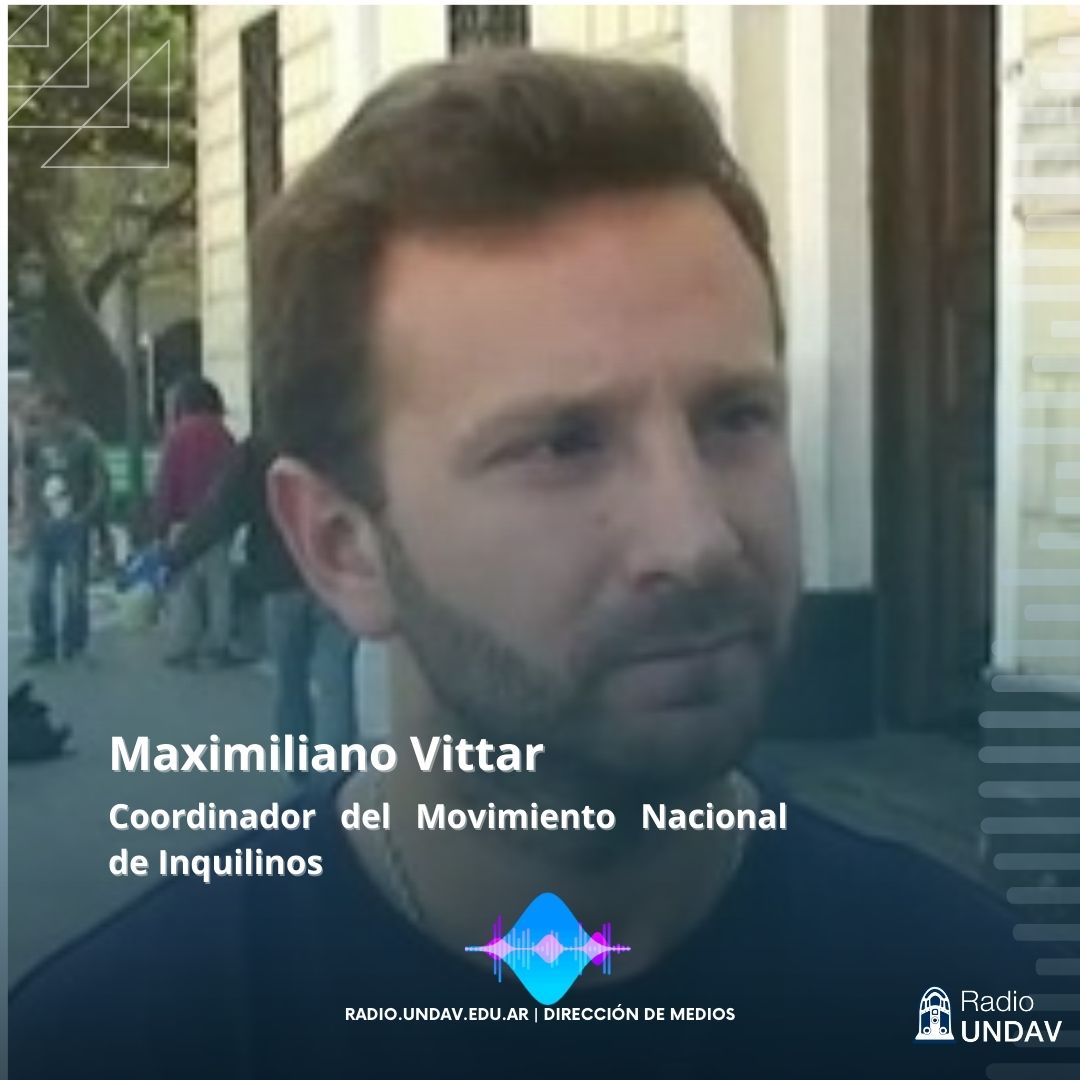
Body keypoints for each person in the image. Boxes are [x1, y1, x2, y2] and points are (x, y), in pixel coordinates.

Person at [10, 52, 1071, 1079]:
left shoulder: (974, 1003)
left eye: (735, 416)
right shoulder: (116, 1043)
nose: (697, 538)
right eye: (563, 445)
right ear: (339, 545)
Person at [163, 434, 356, 744]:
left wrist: (176, 555)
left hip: (280, 579)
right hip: (335, 574)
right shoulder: (337, 435)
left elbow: (222, 511)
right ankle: (336, 767)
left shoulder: (259, 449)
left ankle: (297, 761)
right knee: (336, 683)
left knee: (290, 684)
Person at [15, 382, 107, 664]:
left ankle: (74, 645)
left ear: (58, 409)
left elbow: (100, 480)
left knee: (74, 589)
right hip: (43, 524)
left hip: (73, 524)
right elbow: (25, 476)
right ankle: (43, 644)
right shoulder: (34, 440)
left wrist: (87, 515)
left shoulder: (85, 440)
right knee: (37, 588)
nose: (39, 417)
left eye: (43, 410)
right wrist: (26, 516)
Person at [153, 374, 239, 667]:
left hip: (184, 521)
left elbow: (167, 482)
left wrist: (161, 523)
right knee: (219, 586)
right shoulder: (224, 435)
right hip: (217, 522)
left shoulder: (178, 436)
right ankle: (218, 645)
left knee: (184, 587)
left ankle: (183, 644)